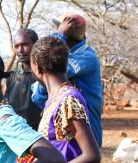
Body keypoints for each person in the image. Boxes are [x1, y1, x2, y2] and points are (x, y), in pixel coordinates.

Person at [32, 14, 103, 145]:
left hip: (85, 135)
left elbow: (51, 69)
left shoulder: (86, 57)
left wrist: (59, 35)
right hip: (67, 135)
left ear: (66, 33)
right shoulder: (71, 56)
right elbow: (38, 97)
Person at [4, 28, 41, 131]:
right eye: (17, 46)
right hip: (18, 135)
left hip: (41, 137)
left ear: (35, 45)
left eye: (25, 45)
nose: (20, 50)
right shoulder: (11, 77)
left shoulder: (44, 75)